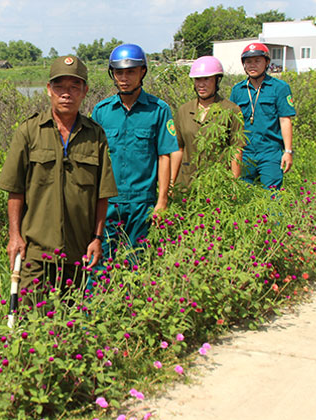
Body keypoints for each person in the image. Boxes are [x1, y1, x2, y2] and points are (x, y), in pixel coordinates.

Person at [0, 55, 117, 295]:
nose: (66, 94)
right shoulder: (29, 132)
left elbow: (102, 194)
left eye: (74, 87)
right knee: (30, 321)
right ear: (49, 90)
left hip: (79, 251)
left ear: (85, 91)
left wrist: (97, 238)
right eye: (60, 87)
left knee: (72, 322)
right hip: (35, 251)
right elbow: (15, 189)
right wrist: (14, 236)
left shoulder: (95, 135)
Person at [91, 44, 178, 265]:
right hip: (109, 202)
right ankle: (96, 299)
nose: (124, 78)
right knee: (101, 262)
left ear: (142, 73)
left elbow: (164, 156)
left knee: (137, 263)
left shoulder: (158, 110)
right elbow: (93, 160)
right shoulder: (102, 111)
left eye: (130, 72)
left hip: (143, 202)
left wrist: (162, 201)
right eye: (119, 72)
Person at [170, 56, 244, 191]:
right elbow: (178, 148)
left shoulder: (231, 110)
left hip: (218, 185)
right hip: (187, 183)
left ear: (217, 80)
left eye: (207, 79)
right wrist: (171, 184)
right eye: (198, 79)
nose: (201, 84)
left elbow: (236, 150)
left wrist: (234, 184)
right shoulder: (184, 111)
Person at [229, 42, 295, 190]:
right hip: (245, 153)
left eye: (257, 61)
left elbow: (285, 120)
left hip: (270, 153)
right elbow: (231, 124)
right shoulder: (237, 90)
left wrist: (288, 151)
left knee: (272, 198)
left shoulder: (279, 88)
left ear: (267, 62)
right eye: (248, 62)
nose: (252, 65)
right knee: (243, 196)